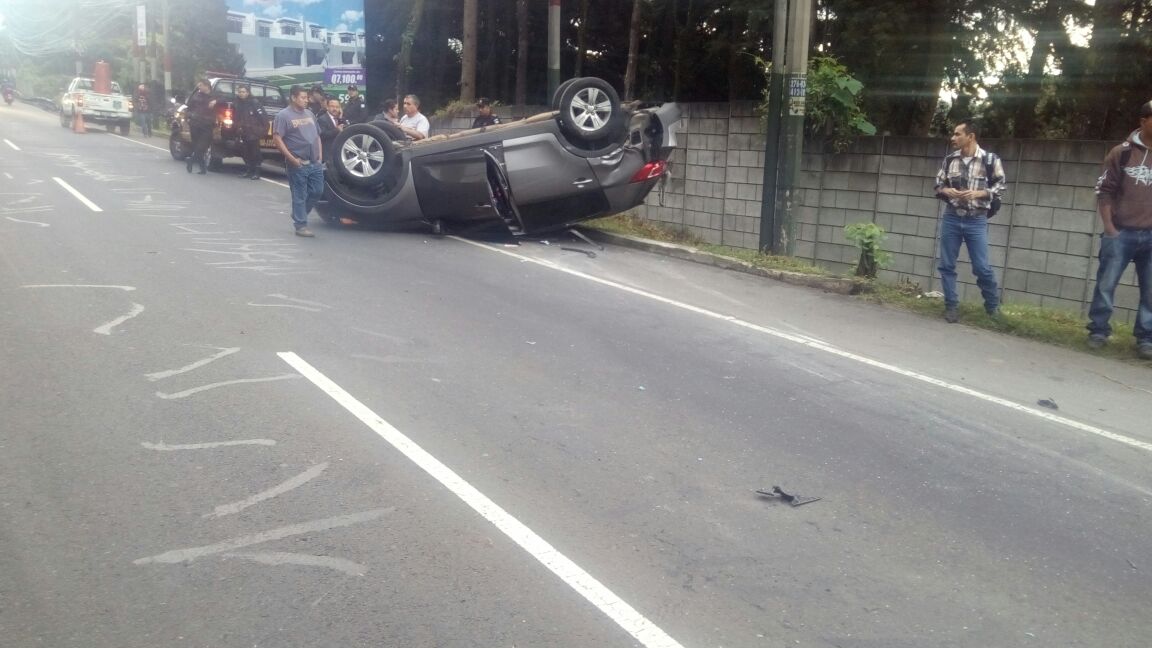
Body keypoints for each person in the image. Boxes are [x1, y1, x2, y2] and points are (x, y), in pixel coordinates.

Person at [1086, 100, 1152, 359]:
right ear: (1143, 121)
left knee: (1150, 290)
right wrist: (1110, 229)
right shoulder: (1121, 153)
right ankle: (1098, 331)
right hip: (1121, 233)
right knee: (1106, 284)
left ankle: (1146, 338)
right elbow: (1104, 192)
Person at [933, 119, 1005, 323]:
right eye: (953, 134)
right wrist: (947, 190)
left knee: (981, 267)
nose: (953, 138)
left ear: (970, 136)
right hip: (952, 217)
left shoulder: (990, 160)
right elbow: (938, 185)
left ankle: (993, 309)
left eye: (957, 134)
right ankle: (951, 307)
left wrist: (978, 193)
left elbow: (1000, 186)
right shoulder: (949, 160)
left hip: (976, 220)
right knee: (947, 264)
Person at [273, 85, 324, 238]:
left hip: (315, 162)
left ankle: (298, 213)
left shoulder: (309, 114)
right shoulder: (283, 116)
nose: (306, 100)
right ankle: (300, 225)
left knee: (317, 191)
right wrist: (291, 159)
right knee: (299, 194)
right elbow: (277, 138)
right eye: (302, 97)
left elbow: (317, 135)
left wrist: (320, 156)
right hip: (298, 162)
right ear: (293, 98)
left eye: (306, 97)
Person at [233, 84, 268, 180]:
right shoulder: (237, 103)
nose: (241, 94)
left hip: (253, 132)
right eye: (240, 92)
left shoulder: (254, 103)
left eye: (243, 92)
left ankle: (257, 172)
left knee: (255, 152)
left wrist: (261, 131)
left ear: (248, 93)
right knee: (245, 152)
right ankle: (249, 170)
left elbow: (263, 118)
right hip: (243, 132)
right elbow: (236, 117)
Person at [185, 79, 217, 174]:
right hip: (195, 124)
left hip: (207, 126)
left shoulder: (214, 96)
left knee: (202, 147)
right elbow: (188, 108)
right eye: (198, 86)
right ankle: (202, 168)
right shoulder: (195, 96)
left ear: (207, 86)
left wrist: (216, 101)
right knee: (196, 147)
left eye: (200, 85)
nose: (199, 87)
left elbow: (225, 100)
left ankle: (191, 160)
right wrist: (190, 116)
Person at [318, 98, 347, 162]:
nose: (335, 109)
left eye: (337, 107)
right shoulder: (322, 119)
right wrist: (337, 130)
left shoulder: (341, 119)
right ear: (327, 107)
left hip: (340, 154)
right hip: (328, 155)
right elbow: (322, 135)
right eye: (332, 106)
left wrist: (341, 118)